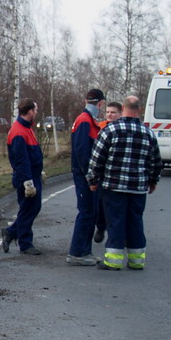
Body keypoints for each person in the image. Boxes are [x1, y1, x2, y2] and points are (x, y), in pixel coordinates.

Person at [87, 95, 163, 271]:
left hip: (113, 187)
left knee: (115, 222)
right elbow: (156, 161)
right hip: (138, 187)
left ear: (123, 107)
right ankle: (137, 261)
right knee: (135, 221)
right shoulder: (148, 133)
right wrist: (153, 181)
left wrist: (93, 180)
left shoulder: (110, 130)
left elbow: (97, 158)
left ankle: (113, 261)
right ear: (140, 109)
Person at [66, 89, 106, 266]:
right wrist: (90, 177)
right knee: (87, 213)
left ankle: (85, 251)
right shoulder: (84, 121)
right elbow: (83, 152)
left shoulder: (87, 120)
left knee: (91, 212)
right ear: (100, 103)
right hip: (84, 177)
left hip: (86, 175)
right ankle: (76, 252)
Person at [1, 98, 44, 255]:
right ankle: (24, 242)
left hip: (32, 175)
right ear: (30, 111)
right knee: (27, 209)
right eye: (36, 109)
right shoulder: (19, 132)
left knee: (32, 208)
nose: (37, 112)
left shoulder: (26, 128)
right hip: (27, 177)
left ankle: (13, 234)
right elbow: (21, 160)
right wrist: (28, 182)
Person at [93, 101, 123, 242]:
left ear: (120, 113)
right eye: (108, 112)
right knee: (101, 203)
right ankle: (100, 227)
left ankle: (119, 234)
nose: (110, 115)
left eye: (113, 112)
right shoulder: (100, 127)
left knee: (119, 207)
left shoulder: (123, 128)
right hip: (103, 172)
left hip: (118, 172)